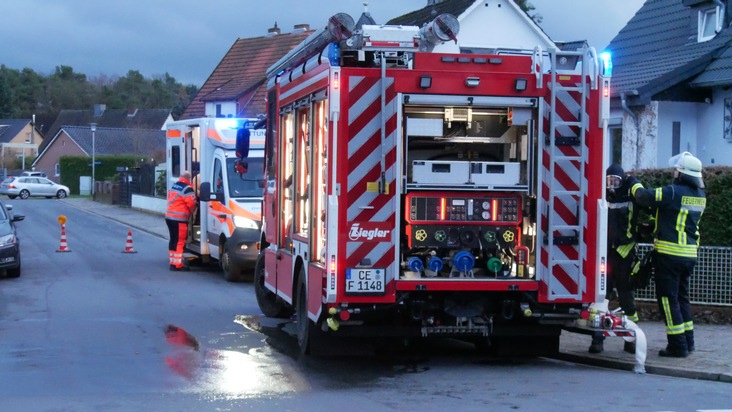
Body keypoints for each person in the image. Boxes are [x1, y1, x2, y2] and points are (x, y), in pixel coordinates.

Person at [627, 152, 706, 358]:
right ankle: (688, 342)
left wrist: (633, 183)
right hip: (689, 255)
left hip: (669, 255)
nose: (674, 173)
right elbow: (678, 219)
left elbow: (644, 197)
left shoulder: (672, 192)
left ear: (682, 174)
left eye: (676, 170)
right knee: (681, 298)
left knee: (667, 301)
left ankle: (677, 346)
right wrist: (655, 225)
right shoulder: (700, 195)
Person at [589, 163, 640, 354]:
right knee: (602, 297)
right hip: (605, 253)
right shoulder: (602, 195)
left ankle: (631, 339)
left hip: (624, 253)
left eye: (615, 181)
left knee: (626, 298)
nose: (611, 185)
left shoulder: (630, 193)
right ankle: (597, 339)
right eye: (609, 181)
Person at [166, 170, 197, 271]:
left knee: (173, 240)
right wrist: (192, 212)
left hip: (169, 217)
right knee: (180, 241)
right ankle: (178, 264)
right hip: (179, 219)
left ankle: (172, 262)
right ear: (189, 178)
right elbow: (192, 204)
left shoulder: (174, 186)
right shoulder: (187, 189)